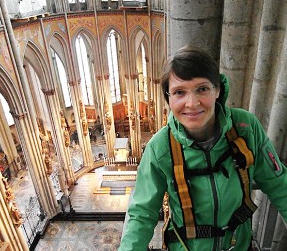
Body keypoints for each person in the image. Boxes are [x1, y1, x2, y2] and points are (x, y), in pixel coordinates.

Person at [119, 46, 287, 251]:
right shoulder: (160, 148)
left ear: (217, 89)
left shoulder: (245, 128)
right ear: (168, 98)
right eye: (179, 92)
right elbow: (142, 214)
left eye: (202, 89)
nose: (192, 103)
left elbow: (280, 185)